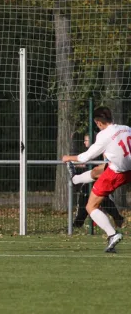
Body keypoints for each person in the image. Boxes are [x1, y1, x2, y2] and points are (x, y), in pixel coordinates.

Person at [62, 106, 131, 253]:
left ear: (99, 123)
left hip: (118, 173)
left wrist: (69, 158)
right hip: (126, 169)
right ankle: (76, 180)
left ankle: (112, 235)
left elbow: (86, 157)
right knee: (98, 170)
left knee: (90, 207)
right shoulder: (126, 128)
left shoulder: (104, 135)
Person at [67, 134, 124, 229]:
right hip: (91, 179)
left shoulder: (97, 152)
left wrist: (77, 163)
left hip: (99, 179)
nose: (84, 142)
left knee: (98, 199)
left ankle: (78, 224)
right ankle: (78, 223)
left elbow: (98, 165)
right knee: (87, 200)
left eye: (86, 140)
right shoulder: (90, 152)